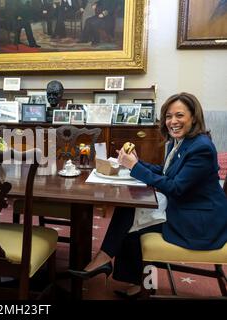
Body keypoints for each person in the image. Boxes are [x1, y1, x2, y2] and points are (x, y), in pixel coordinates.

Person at [69, 92, 227, 298]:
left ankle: (105, 260)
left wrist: (135, 167)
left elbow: (175, 187)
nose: (172, 121)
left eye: (179, 115)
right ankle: (124, 274)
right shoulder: (181, 142)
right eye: (169, 116)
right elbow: (165, 172)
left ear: (194, 117)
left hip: (200, 221)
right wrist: (137, 162)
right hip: (186, 206)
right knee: (132, 206)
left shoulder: (201, 148)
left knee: (132, 213)